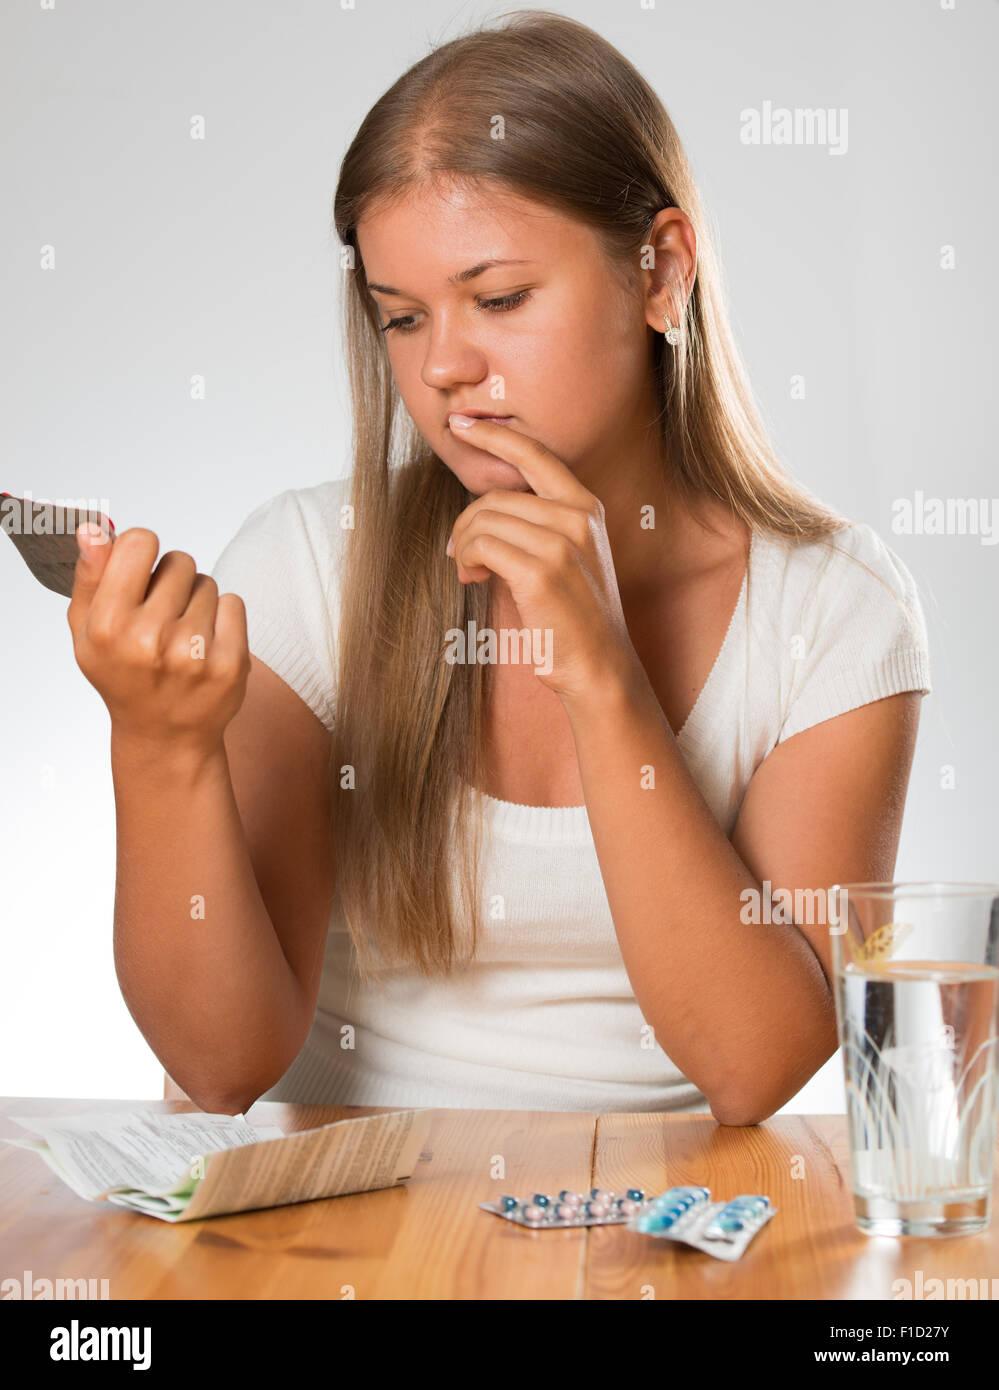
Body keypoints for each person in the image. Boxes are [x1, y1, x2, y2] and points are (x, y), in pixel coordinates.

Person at [68, 11, 932, 1123]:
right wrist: (156, 747)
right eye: (403, 318)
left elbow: (755, 1064)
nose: (444, 368)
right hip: (328, 1238)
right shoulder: (304, 570)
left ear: (661, 271)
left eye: (501, 299)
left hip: (645, 1241)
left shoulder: (837, 615)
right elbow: (223, 1064)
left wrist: (603, 674)